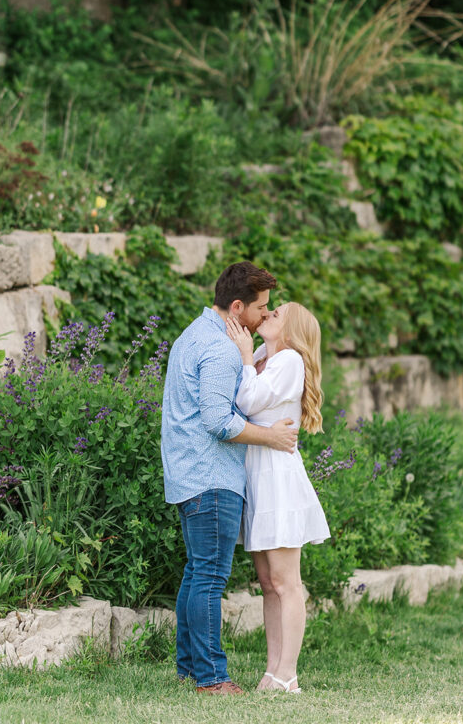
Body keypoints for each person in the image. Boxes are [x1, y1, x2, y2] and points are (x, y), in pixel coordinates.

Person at [161, 262, 298, 696]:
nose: (264, 316)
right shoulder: (220, 348)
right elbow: (220, 421)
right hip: (211, 477)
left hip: (189, 475)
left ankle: (189, 668)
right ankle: (211, 678)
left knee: (196, 573)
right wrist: (273, 437)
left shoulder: (192, 334)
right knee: (209, 578)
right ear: (237, 307)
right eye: (261, 308)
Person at [226, 301, 330, 694]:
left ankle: (289, 674)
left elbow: (248, 402)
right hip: (255, 474)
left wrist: (241, 356)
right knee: (268, 583)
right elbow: (240, 397)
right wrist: (246, 357)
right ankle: (272, 671)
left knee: (286, 582)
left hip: (277, 478)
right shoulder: (262, 356)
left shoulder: (288, 360)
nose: (268, 314)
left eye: (277, 313)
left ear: (291, 331)